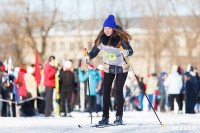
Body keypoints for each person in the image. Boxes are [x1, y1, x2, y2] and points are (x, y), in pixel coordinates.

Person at [82, 14, 133, 125]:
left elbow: (131, 51)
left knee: (118, 91)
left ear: (113, 29)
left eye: (109, 28)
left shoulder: (120, 39)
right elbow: (94, 51)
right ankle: (105, 117)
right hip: (108, 67)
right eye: (105, 28)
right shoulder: (102, 40)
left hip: (121, 67)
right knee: (106, 91)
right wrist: (88, 57)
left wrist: (126, 52)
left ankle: (119, 117)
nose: (107, 31)